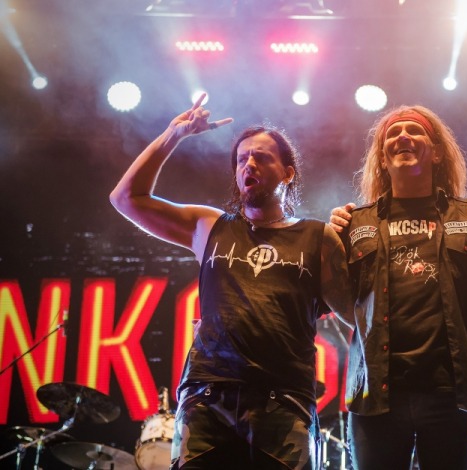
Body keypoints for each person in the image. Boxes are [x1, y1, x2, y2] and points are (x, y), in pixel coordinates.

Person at [110, 95, 354, 470]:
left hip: (284, 400)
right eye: (241, 159)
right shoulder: (210, 226)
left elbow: (359, 314)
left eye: (262, 157)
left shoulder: (317, 237)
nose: (248, 165)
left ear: (288, 173)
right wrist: (173, 135)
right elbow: (125, 198)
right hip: (207, 398)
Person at [330, 106, 467, 470]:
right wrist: (332, 237)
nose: (403, 136)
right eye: (393, 133)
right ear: (382, 159)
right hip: (376, 393)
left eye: (414, 130)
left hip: (451, 392)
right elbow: (334, 298)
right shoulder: (354, 223)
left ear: (437, 152)